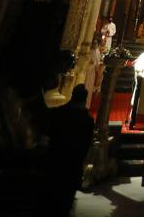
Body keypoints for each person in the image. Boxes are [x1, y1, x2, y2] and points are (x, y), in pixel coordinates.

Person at [43, 84, 94, 216]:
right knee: (66, 197)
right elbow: (87, 144)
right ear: (84, 101)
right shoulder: (87, 120)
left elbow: (48, 132)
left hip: (56, 159)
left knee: (52, 196)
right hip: (73, 162)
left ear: (72, 97)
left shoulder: (58, 113)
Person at [84, 38, 103, 107]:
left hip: (93, 73)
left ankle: (87, 104)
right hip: (88, 72)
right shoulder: (89, 51)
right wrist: (92, 64)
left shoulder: (97, 51)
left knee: (90, 88)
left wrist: (99, 67)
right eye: (93, 43)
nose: (94, 45)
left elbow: (97, 62)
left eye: (96, 44)